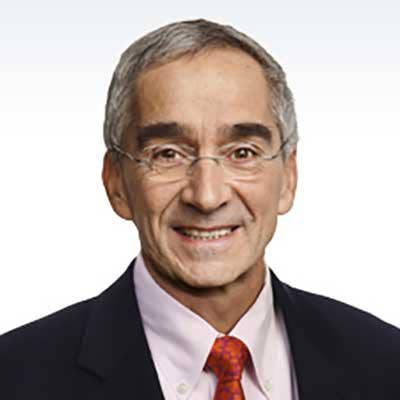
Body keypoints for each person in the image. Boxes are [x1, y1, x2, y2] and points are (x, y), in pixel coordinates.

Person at [1, 18, 399, 400]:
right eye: (168, 154)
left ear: (288, 178)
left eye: (243, 152)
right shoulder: (14, 377)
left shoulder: (386, 363)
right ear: (116, 182)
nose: (207, 196)